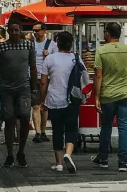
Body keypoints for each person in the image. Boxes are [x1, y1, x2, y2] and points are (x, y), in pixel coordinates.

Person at [91, 22, 127, 172]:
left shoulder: (101, 51)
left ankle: (103, 159)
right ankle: (123, 162)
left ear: (108, 34)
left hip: (107, 96)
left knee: (106, 127)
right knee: (123, 128)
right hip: (124, 95)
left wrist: (96, 97)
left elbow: (98, 75)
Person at [0, 21, 36, 168]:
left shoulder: (28, 45)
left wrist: (34, 90)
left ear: (20, 30)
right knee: (9, 120)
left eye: (17, 30)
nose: (15, 33)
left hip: (24, 89)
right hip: (6, 89)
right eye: (12, 30)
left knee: (24, 118)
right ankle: (10, 154)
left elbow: (33, 68)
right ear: (8, 31)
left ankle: (21, 151)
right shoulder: (0, 47)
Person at [40, 31, 85, 173]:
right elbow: (84, 77)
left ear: (57, 43)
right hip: (72, 100)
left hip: (54, 100)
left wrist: (42, 99)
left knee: (57, 130)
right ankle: (68, 154)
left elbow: (43, 82)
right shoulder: (76, 58)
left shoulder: (50, 59)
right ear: (71, 44)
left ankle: (58, 163)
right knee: (71, 129)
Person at [31, 22, 58, 143]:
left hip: (47, 78)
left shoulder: (52, 44)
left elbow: (57, 59)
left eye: (37, 30)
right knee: (36, 105)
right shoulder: (30, 44)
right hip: (32, 77)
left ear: (44, 31)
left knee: (45, 106)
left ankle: (43, 131)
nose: (35, 33)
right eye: (34, 30)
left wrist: (50, 55)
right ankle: (37, 132)